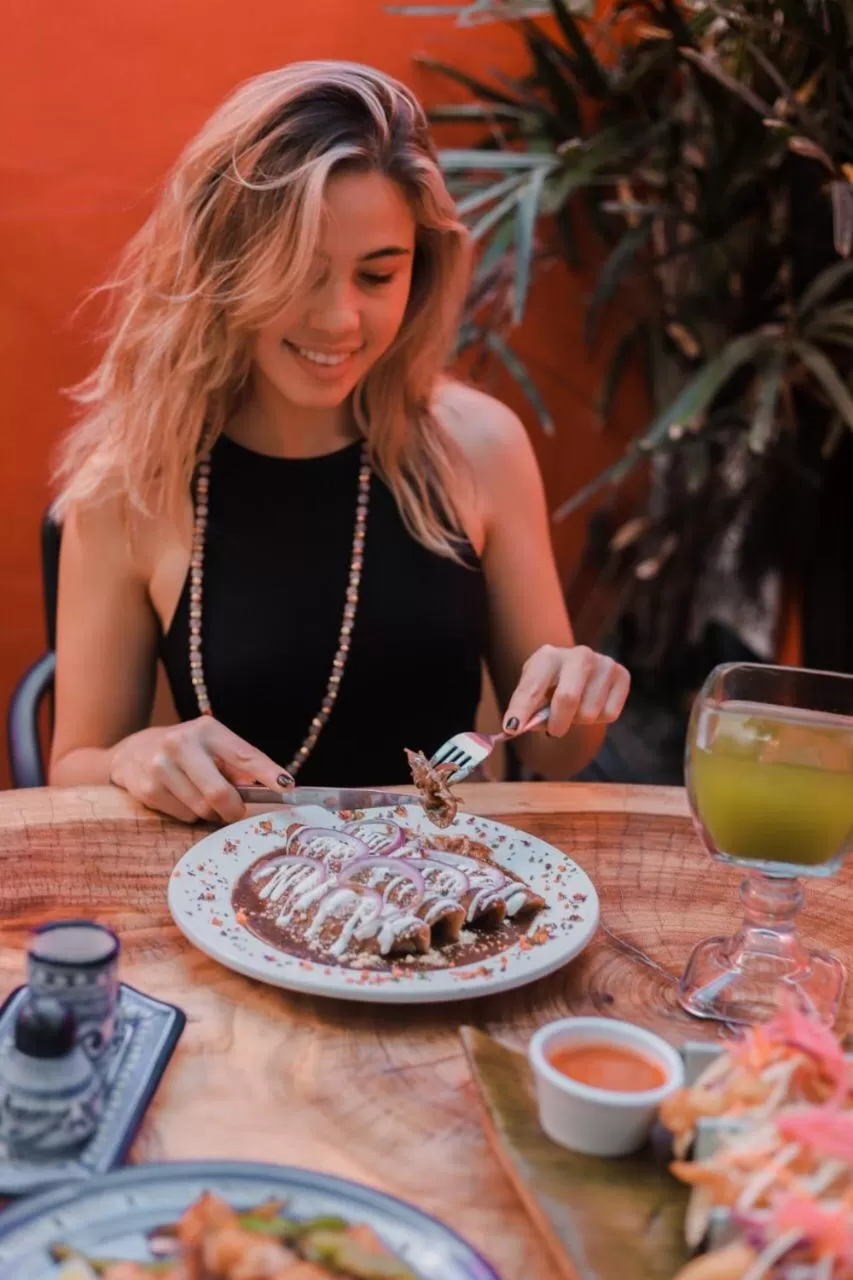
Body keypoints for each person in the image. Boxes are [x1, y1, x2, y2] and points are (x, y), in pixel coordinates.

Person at [49, 60, 630, 824]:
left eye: (376, 276)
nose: (339, 321)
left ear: (418, 274)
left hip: (448, 903)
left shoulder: (479, 444)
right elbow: (72, 770)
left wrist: (577, 692)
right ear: (226, 265)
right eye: (301, 272)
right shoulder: (131, 482)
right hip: (234, 903)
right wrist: (131, 756)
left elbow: (557, 754)